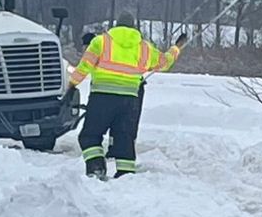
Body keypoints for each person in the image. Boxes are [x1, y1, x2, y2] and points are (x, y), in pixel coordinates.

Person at [64, 13, 183, 178]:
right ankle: (126, 174)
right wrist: (176, 48)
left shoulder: (101, 42)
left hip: (102, 98)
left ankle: (96, 166)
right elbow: (164, 62)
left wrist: (71, 86)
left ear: (116, 26)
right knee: (124, 138)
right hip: (130, 101)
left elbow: (84, 67)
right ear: (133, 27)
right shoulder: (144, 48)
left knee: (90, 135)